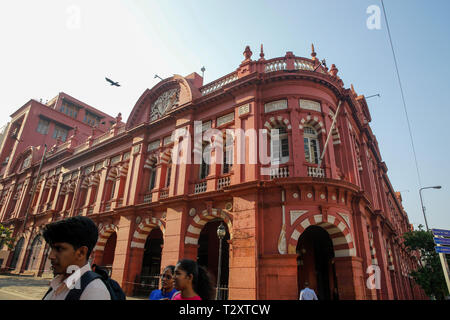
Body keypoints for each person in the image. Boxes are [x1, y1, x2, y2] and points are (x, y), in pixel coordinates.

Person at [42, 216, 111, 300]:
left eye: (59, 249)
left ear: (81, 253)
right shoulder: (57, 283)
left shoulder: (94, 291)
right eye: (51, 248)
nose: (50, 256)